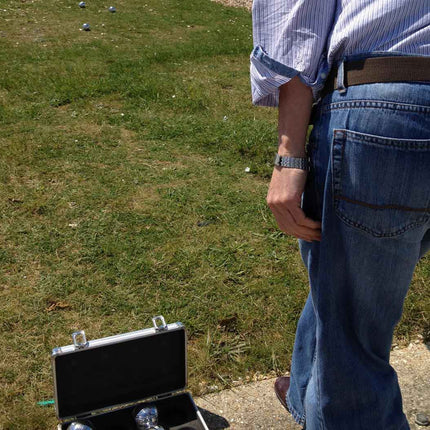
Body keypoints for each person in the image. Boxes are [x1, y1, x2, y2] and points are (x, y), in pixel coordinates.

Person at [250, 1, 430, 429]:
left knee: (351, 350)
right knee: (348, 273)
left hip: (388, 107)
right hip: (395, 102)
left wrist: (289, 158)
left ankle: (330, 405)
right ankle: (306, 394)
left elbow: (296, 21)